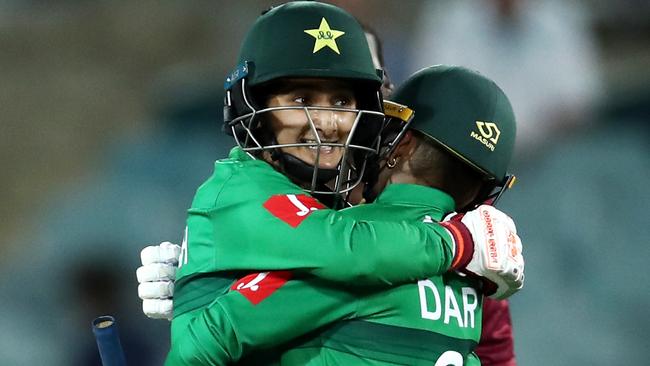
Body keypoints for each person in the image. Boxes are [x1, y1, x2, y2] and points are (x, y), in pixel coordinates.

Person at [163, 65, 522, 365]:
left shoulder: (350, 245)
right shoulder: (473, 285)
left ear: (403, 144)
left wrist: (202, 284)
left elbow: (204, 342)